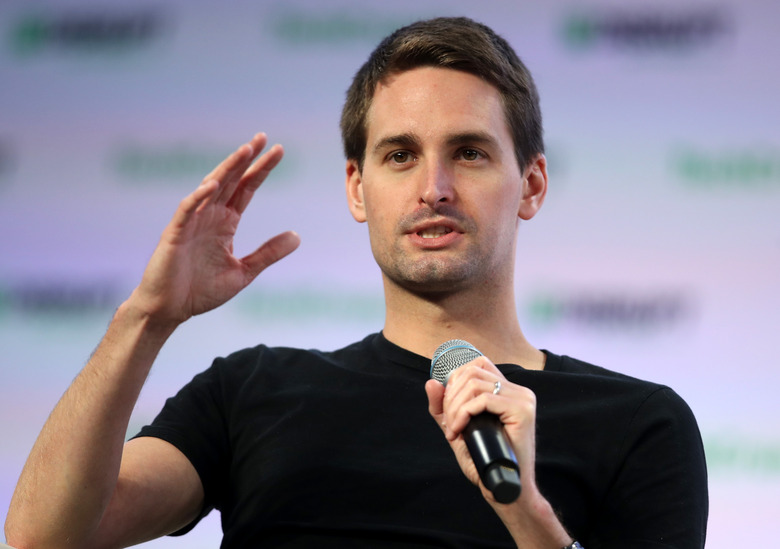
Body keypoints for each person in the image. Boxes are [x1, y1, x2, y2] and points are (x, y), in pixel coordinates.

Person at [4, 16, 708, 549]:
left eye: (468, 152)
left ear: (531, 184)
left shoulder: (640, 423)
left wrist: (523, 507)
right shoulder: (250, 390)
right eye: (400, 155)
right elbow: (43, 537)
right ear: (357, 189)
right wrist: (146, 318)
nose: (433, 188)